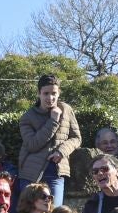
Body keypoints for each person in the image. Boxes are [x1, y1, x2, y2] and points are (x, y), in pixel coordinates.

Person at [17, 74, 82, 206]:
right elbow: (31, 145)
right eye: (46, 93)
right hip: (30, 174)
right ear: (39, 93)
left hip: (56, 172)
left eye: (54, 93)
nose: (50, 98)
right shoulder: (27, 117)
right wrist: (53, 121)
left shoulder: (67, 109)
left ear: (59, 93)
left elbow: (76, 138)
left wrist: (61, 152)